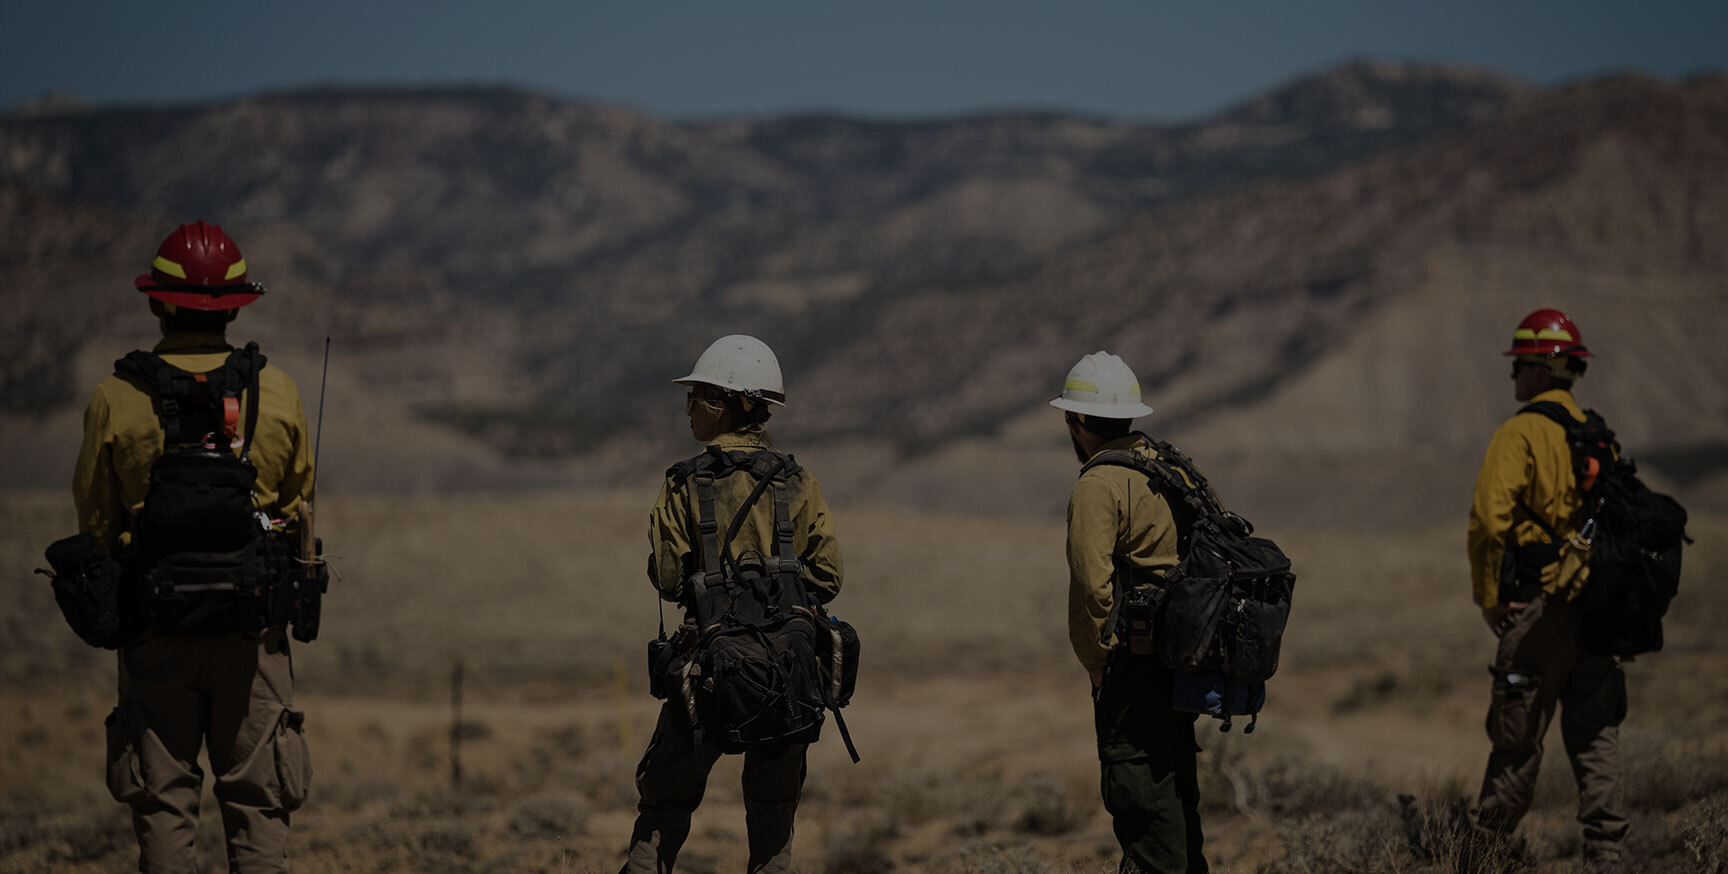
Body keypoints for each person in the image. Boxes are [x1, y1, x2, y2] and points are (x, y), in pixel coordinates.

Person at [73, 221, 315, 873]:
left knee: (163, 802)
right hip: (253, 629)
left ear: (156, 301)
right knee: (259, 801)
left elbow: (95, 521)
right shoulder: (280, 392)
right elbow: (297, 505)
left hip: (155, 627)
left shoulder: (116, 397)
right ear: (237, 306)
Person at [622, 334, 844, 874]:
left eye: (696, 396)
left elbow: (670, 578)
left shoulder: (682, 483)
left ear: (723, 403)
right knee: (773, 821)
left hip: (706, 672)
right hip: (785, 673)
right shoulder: (800, 483)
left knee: (663, 806)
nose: (688, 409)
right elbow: (828, 576)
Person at [1466, 308, 1625, 873]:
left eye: (1518, 368)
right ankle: (1607, 858)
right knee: (1596, 737)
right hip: (1597, 613)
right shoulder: (1596, 435)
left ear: (1539, 369)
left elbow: (1488, 520)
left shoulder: (1520, 433)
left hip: (1538, 611)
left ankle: (1480, 858)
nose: (1513, 380)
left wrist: (1489, 598)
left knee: (1517, 738)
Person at [1053, 351, 1208, 874]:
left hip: (1133, 669)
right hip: (1183, 657)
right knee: (1177, 790)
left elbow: (1093, 589)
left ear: (1074, 423)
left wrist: (1099, 664)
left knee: (1142, 798)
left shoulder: (1099, 484)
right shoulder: (1170, 466)